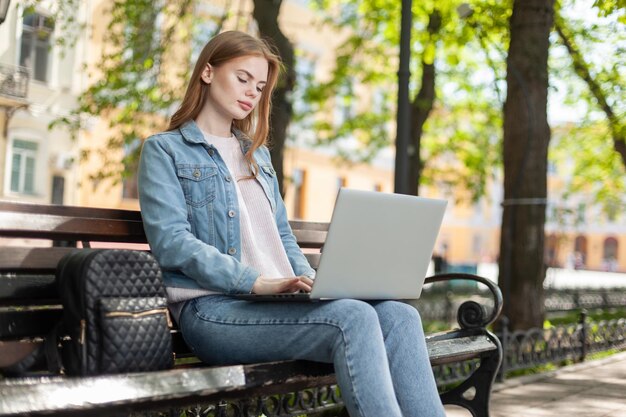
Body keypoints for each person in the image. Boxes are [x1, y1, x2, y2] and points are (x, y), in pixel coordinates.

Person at [138, 30, 445, 417]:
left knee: (400, 315)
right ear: (208, 73)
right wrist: (254, 281)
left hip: (274, 305)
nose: (252, 92)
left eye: (261, 85)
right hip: (213, 311)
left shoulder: (258, 158)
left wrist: (311, 282)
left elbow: (281, 236)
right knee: (354, 317)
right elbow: (171, 242)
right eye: (242, 77)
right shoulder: (164, 150)